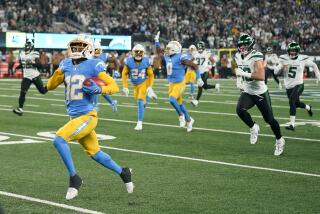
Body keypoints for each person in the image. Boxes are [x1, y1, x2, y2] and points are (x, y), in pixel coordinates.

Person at [46, 35, 134, 200]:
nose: (76, 50)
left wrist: (99, 90)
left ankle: (74, 179)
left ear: (89, 48)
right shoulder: (65, 64)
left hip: (88, 116)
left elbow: (114, 86)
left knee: (59, 139)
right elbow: (50, 86)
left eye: (80, 46)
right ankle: (124, 173)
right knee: (95, 153)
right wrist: (59, 73)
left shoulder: (94, 64)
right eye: (75, 46)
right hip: (75, 118)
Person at [234, 34, 285, 156]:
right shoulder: (237, 55)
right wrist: (238, 80)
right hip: (248, 91)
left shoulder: (256, 56)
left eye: (245, 45)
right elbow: (239, 70)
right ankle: (253, 126)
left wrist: (243, 74)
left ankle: (279, 140)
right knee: (239, 110)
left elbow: (261, 76)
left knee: (269, 120)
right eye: (241, 45)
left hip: (260, 92)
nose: (243, 47)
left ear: (251, 46)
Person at [154, 31, 204, 132]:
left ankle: (181, 116)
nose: (167, 50)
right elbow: (159, 52)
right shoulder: (168, 56)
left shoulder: (181, 57)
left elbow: (195, 66)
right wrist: (156, 41)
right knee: (180, 104)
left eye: (169, 48)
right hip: (171, 83)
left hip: (180, 83)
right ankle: (189, 120)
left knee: (172, 99)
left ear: (175, 49)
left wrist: (199, 78)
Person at [274, 41, 320, 131]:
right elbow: (275, 72)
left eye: (294, 50)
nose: (292, 52)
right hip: (288, 86)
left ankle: (292, 124)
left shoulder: (302, 58)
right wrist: (282, 67)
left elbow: (314, 65)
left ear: (298, 51)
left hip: (299, 84)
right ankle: (308, 107)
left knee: (291, 101)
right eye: (291, 50)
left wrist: (319, 77)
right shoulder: (283, 58)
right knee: (296, 104)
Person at [122, 44, 156, 130]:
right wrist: (125, 86)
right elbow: (124, 73)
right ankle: (147, 97)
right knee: (142, 103)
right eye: (136, 51)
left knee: (140, 102)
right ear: (133, 52)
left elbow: (151, 75)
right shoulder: (129, 61)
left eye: (140, 52)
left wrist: (150, 86)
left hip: (143, 83)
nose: (138, 53)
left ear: (143, 53)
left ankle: (139, 123)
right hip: (135, 85)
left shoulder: (146, 61)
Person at [13, 39, 48, 116]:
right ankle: (20, 109)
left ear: (31, 47)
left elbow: (40, 66)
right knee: (22, 92)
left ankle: (51, 84)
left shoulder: (35, 54)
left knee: (43, 91)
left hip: (35, 75)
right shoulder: (22, 54)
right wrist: (17, 67)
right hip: (26, 77)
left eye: (27, 47)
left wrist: (32, 63)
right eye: (25, 47)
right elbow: (23, 64)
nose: (26, 48)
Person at [191, 41, 220, 107]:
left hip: (205, 71)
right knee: (205, 86)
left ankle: (196, 101)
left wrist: (212, 69)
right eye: (199, 47)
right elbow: (191, 60)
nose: (200, 49)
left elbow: (212, 60)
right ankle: (216, 86)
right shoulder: (195, 53)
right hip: (198, 72)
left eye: (201, 47)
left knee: (200, 86)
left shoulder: (207, 53)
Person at [93, 42, 118, 112]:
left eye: (97, 50)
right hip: (94, 75)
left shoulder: (104, 56)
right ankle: (112, 102)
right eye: (95, 49)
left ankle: (95, 105)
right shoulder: (90, 56)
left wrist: (115, 70)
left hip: (101, 75)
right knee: (102, 91)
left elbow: (114, 60)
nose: (96, 51)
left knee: (95, 89)